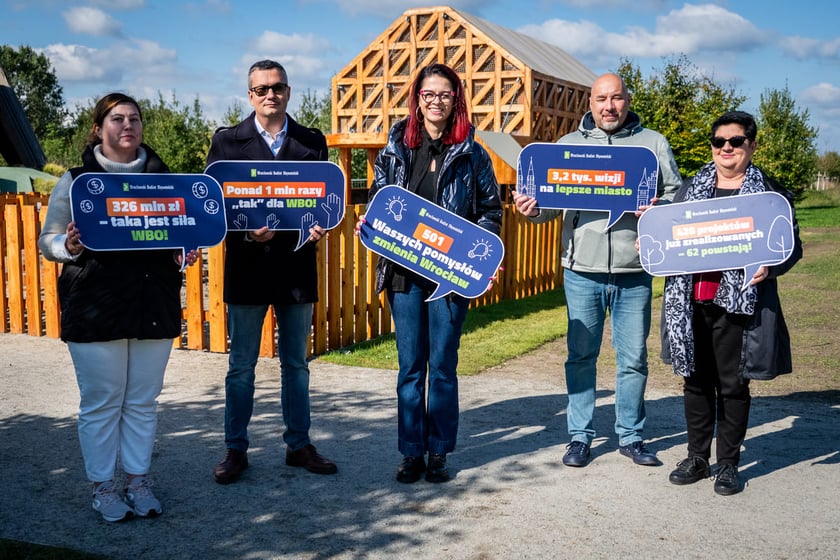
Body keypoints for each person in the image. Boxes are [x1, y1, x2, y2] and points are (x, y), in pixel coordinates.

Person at [38, 93, 198, 522]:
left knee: (144, 400)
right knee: (102, 401)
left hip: (153, 301)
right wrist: (67, 245)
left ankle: (139, 481)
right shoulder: (76, 180)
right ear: (98, 128)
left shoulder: (166, 181)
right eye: (117, 118)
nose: (127, 125)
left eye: (134, 119)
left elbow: (177, 236)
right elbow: (47, 241)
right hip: (95, 304)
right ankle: (103, 487)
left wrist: (184, 252)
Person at [512, 73, 682, 468]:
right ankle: (579, 437)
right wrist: (533, 211)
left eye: (617, 98)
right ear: (590, 103)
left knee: (633, 359)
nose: (610, 106)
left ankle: (631, 436)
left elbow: (676, 196)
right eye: (602, 98)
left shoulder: (652, 144)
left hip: (634, 270)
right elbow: (551, 205)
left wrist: (658, 213)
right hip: (580, 270)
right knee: (580, 356)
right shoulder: (567, 147)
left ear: (627, 100)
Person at [358, 63, 503, 483]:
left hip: (450, 278)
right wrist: (368, 221)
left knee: (442, 367)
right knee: (410, 368)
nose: (436, 101)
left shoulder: (473, 153)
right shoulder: (396, 146)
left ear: (455, 100)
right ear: (417, 99)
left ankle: (438, 451)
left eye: (445, 95)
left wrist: (482, 259)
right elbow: (379, 199)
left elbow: (490, 210)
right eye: (429, 94)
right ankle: (411, 452)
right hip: (404, 275)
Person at [207, 59, 337, 484]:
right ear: (249, 95)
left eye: (277, 87)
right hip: (247, 270)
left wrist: (319, 226)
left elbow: (323, 203)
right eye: (261, 88)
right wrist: (247, 234)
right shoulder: (227, 143)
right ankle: (235, 449)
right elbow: (214, 211)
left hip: (296, 270)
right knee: (241, 366)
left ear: (288, 91)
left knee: (296, 364)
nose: (270, 94)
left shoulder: (311, 142)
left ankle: (298, 445)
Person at [662, 110, 802, 495]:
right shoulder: (690, 189)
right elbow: (667, 234)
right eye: (719, 141)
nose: (726, 148)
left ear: (752, 145)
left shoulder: (770, 194)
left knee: (733, 385)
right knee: (694, 380)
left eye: (736, 141)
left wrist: (771, 269)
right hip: (692, 300)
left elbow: (791, 246)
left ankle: (728, 463)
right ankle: (696, 457)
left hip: (739, 303)